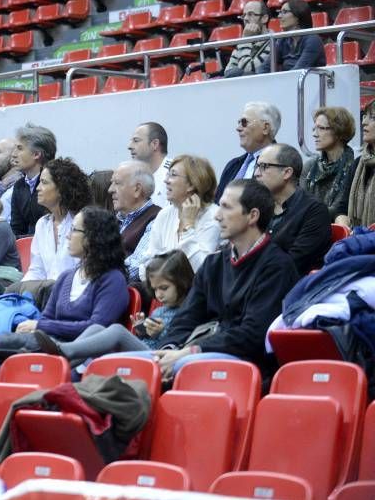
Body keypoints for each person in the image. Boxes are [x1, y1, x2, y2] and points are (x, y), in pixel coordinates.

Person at [142, 180, 300, 379]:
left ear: (252, 216)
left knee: (176, 366)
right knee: (130, 363)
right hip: (198, 352)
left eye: (226, 207)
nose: (217, 216)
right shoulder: (214, 263)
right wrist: (169, 349)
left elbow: (253, 335)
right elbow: (186, 317)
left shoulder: (277, 267)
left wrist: (190, 351)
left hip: (247, 363)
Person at [34, 250, 193, 367]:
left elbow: (180, 341)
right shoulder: (160, 311)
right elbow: (147, 339)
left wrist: (161, 332)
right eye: (155, 289)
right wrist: (142, 330)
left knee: (117, 330)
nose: (159, 295)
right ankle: (58, 364)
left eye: (164, 288)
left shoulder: (191, 312)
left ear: (182, 282)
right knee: (96, 328)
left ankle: (64, 350)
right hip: (145, 353)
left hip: (162, 358)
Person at [14, 206, 129, 340]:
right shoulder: (66, 277)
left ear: (93, 236)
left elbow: (96, 328)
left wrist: (42, 327)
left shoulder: (112, 280)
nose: (68, 236)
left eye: (74, 230)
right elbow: (46, 319)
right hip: (52, 345)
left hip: (85, 352)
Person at [255, 144, 331, 275]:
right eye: (257, 166)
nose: (256, 173)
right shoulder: (258, 206)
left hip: (292, 288)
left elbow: (292, 263)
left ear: (287, 173)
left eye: (264, 167)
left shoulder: (314, 211)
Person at [141, 155, 220, 280]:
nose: (166, 180)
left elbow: (200, 270)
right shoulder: (165, 214)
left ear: (192, 184)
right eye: (167, 174)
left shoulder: (214, 217)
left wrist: (188, 225)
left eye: (173, 175)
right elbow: (146, 264)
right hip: (163, 293)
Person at [23, 157, 91, 282]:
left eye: (44, 182)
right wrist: (21, 293)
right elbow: (36, 271)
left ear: (61, 189)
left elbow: (84, 274)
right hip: (46, 295)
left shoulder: (83, 224)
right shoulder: (42, 224)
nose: (38, 188)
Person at [215, 101, 281, 202]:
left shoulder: (279, 165)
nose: (238, 128)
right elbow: (217, 204)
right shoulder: (232, 165)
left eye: (244, 122)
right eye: (239, 123)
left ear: (265, 128)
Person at [301, 106, 357, 222]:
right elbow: (299, 202)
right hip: (309, 227)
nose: (315, 134)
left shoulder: (354, 166)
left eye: (321, 128)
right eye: (314, 129)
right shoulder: (309, 166)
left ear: (338, 132)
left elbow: (339, 209)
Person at [109, 161, 161, 281]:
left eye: (117, 183)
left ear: (137, 189)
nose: (110, 189)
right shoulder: (113, 220)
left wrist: (100, 275)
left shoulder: (156, 219)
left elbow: (136, 268)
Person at [10, 123, 57, 237]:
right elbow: (16, 228)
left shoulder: (55, 182)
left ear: (36, 154)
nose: (13, 154)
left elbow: (54, 227)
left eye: (20, 148)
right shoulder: (19, 186)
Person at [260, 0, 325, 73]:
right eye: (279, 12)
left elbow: (298, 71)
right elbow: (265, 66)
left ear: (297, 15)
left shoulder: (313, 40)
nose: (279, 16)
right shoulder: (283, 40)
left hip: (308, 82)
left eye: (284, 12)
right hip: (288, 81)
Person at [127, 122, 172, 208]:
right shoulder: (134, 176)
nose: (129, 146)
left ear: (155, 144)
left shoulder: (175, 175)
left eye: (136, 141)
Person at [224, 0, 271, 78]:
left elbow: (248, 69)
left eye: (250, 14)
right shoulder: (242, 42)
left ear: (264, 18)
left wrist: (246, 39)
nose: (245, 18)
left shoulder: (273, 42)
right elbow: (228, 72)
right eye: (244, 15)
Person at [347, 99, 375, 228]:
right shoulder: (359, 162)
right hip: (361, 236)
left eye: (372, 118)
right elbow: (342, 204)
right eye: (364, 116)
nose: (364, 122)